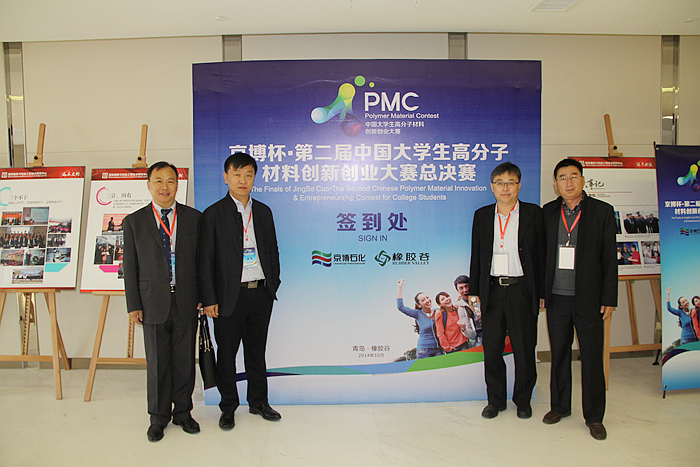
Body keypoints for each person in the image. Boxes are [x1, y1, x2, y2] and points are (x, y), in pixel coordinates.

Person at [198, 152, 282, 430]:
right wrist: (209, 299)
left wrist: (273, 283)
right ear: (226, 177)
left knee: (256, 352)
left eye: (248, 174)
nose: (243, 180)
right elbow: (205, 260)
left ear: (254, 178)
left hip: (260, 293)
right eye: (237, 174)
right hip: (227, 297)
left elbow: (272, 250)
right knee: (227, 355)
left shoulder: (264, 211)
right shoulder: (213, 214)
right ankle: (228, 407)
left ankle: (259, 402)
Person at [123, 161, 202, 442]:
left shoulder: (194, 218)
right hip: (151, 302)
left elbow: (202, 261)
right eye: (158, 181)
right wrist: (133, 304)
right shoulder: (134, 222)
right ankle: (158, 417)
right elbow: (130, 266)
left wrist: (203, 297)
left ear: (177, 185)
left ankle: (183, 412)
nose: (164, 187)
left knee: (184, 361)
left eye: (170, 181)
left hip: (186, 300)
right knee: (157, 363)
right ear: (149, 185)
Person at [542, 158, 617, 441]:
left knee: (592, 357)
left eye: (574, 176)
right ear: (556, 184)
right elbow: (541, 255)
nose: (569, 182)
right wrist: (542, 294)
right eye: (563, 178)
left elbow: (610, 258)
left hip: (590, 298)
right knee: (559, 354)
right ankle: (560, 406)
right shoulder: (548, 212)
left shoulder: (602, 211)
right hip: (557, 297)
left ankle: (594, 417)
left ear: (583, 180)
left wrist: (609, 297)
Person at [469, 161, 544, 420]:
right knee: (492, 349)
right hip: (491, 290)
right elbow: (477, 255)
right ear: (492, 187)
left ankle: (523, 401)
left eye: (511, 183)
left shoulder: (534, 214)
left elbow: (542, 255)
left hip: (522, 290)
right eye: (500, 183)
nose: (505, 188)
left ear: (519, 186)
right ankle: (496, 401)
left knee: (524, 349)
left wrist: (541, 292)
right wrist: (474, 290)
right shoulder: (482, 215)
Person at [396, 279, 442, 359]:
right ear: (419, 305)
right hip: (424, 351)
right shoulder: (418, 314)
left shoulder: (438, 311)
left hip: (438, 349)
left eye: (427, 297)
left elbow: (449, 309)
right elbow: (401, 307)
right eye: (423, 300)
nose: (427, 300)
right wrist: (400, 287)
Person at [454, 275, 482, 347]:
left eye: (466, 286)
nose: (465, 290)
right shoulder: (461, 307)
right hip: (480, 334)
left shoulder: (482, 297)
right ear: (457, 291)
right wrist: (464, 329)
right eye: (461, 288)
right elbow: (471, 335)